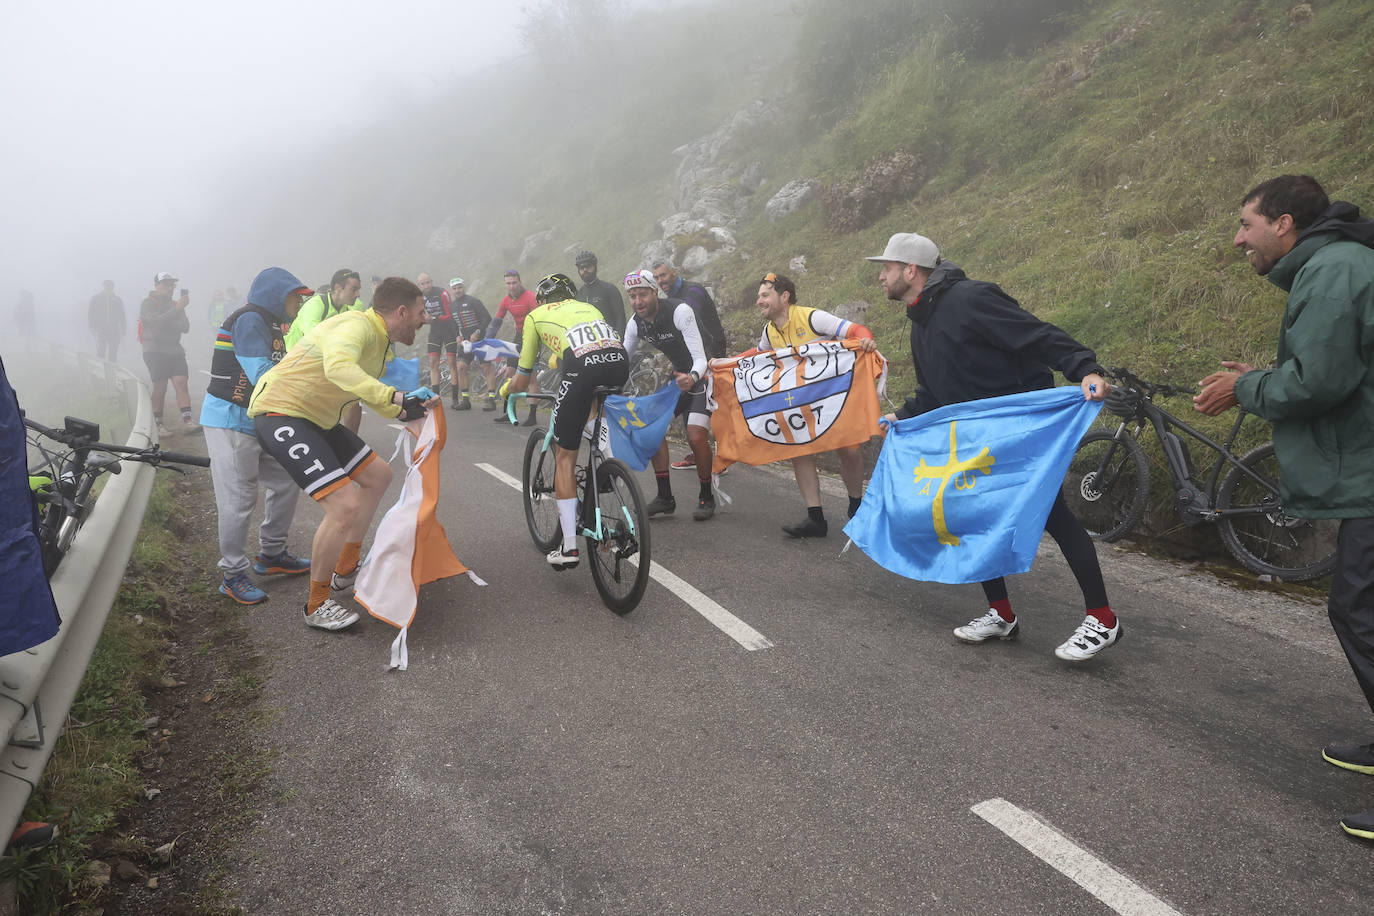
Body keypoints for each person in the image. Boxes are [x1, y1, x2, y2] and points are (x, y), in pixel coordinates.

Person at [1193, 175, 1374, 841]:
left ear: (1286, 223)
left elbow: (1321, 381)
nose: (1238, 238)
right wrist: (1257, 378)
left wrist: (1247, 387)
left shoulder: (1332, 272)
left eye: (1247, 224)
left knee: (1360, 608)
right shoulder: (1334, 263)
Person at [869, 232, 1116, 661]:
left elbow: (1035, 335)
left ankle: (1104, 618)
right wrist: (904, 415)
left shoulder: (969, 300)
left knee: (1054, 516)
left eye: (886, 268)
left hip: (1017, 430)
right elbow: (935, 389)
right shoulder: (921, 323)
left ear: (911, 270)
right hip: (975, 439)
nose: (880, 277)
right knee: (972, 515)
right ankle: (1001, 614)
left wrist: (1085, 368)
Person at [247, 277, 436, 631]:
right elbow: (339, 368)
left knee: (379, 476)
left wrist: (404, 410)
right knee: (343, 505)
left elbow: (360, 391)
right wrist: (395, 398)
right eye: (421, 312)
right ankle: (316, 604)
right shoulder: (356, 325)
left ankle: (345, 568)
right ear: (401, 311)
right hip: (281, 412)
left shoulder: (381, 342)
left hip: (315, 417)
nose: (425, 319)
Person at [499, 274, 628, 567]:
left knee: (565, 456)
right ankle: (609, 465)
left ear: (543, 300)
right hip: (618, 362)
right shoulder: (588, 307)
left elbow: (522, 377)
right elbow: (589, 344)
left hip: (582, 368)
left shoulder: (535, 315)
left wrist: (505, 390)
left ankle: (569, 548)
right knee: (592, 408)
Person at [201, 267, 313, 605]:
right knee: (239, 497)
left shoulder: (274, 324)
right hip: (231, 419)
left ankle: (272, 554)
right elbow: (262, 375)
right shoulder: (249, 319)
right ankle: (233, 574)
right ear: (278, 295)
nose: (299, 303)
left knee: (286, 478)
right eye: (296, 296)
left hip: (258, 419)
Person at [744, 271, 876, 537]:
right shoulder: (769, 331)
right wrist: (725, 363)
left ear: (784, 296)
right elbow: (756, 357)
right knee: (799, 450)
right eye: (758, 296)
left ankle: (856, 508)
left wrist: (866, 337)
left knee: (849, 451)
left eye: (765, 295)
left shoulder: (812, 317)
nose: (759, 301)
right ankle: (815, 518)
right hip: (800, 402)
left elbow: (852, 330)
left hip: (833, 396)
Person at [621, 269, 716, 521]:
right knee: (651, 431)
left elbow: (700, 359)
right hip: (678, 377)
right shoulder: (635, 323)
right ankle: (665, 498)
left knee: (696, 437)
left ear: (655, 292)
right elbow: (622, 361)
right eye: (632, 296)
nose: (638, 302)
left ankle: (707, 496)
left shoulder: (679, 311)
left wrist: (692, 378)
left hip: (704, 374)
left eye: (642, 294)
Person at [651, 259, 728, 470]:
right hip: (691, 356)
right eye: (656, 278)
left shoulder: (693, 290)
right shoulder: (671, 297)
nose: (660, 281)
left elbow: (688, 316)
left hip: (711, 352)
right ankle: (700, 453)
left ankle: (720, 455)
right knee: (690, 400)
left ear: (674, 272)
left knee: (708, 402)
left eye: (663, 275)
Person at [286, 269, 366, 432]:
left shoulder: (344, 310)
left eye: (359, 290)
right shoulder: (315, 305)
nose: (358, 294)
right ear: (338, 288)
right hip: (297, 360)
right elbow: (314, 338)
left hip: (323, 359)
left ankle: (351, 446)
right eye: (354, 289)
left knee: (353, 399)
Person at [140, 272, 198, 433]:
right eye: (165, 284)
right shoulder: (148, 303)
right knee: (160, 386)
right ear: (156, 285)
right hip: (154, 350)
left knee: (181, 382)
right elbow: (155, 323)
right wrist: (176, 311)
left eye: (172, 285)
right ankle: (158, 424)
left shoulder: (175, 303)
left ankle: (187, 421)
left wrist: (171, 316)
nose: (169, 288)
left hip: (175, 349)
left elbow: (185, 327)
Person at [488, 269, 541, 425]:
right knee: (509, 375)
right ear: (505, 284)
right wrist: (487, 339)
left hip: (532, 336)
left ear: (520, 281)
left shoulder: (530, 297)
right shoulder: (506, 301)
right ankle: (509, 412)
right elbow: (497, 320)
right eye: (508, 283)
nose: (512, 286)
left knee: (531, 378)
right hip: (518, 337)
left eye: (514, 283)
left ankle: (532, 416)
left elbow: (539, 319)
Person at [446, 277, 493, 411]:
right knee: (461, 367)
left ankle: (491, 399)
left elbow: (486, 317)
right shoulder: (452, 306)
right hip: (466, 342)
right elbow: (453, 323)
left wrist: (478, 332)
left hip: (481, 339)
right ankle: (466, 400)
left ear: (464, 288)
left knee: (487, 367)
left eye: (460, 287)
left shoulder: (473, 301)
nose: (458, 290)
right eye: (455, 288)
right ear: (452, 291)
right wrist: (457, 336)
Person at [418, 272, 460, 405]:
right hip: (435, 332)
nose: (426, 285)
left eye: (428, 282)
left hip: (449, 330)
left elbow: (450, 315)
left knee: (452, 362)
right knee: (433, 363)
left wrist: (434, 318)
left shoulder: (442, 293)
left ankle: (454, 398)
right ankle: (435, 398)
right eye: (423, 284)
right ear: (420, 285)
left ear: (432, 281)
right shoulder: (420, 297)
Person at [574, 249, 627, 337]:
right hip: (590, 345)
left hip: (611, 340)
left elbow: (620, 319)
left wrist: (620, 342)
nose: (585, 270)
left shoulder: (609, 289)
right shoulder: (579, 295)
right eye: (581, 268)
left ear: (595, 266)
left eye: (588, 266)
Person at [88, 280, 126, 362]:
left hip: (114, 329)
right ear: (103, 287)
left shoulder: (117, 300)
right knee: (101, 350)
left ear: (112, 288)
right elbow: (91, 313)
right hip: (101, 328)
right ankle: (100, 370)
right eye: (107, 286)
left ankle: (111, 371)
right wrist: (91, 326)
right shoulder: (96, 298)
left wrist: (123, 328)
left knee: (113, 352)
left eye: (110, 287)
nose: (108, 288)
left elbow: (122, 315)